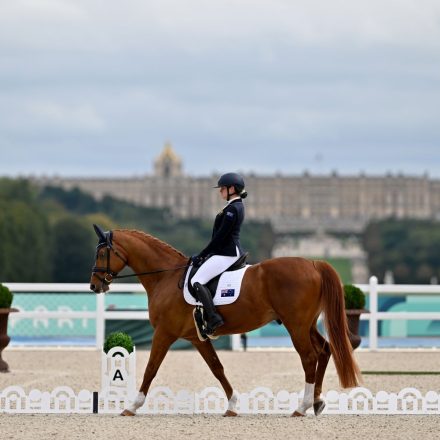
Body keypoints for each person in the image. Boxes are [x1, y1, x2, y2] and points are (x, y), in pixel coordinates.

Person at [191, 172, 248, 335]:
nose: (220, 191)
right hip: (224, 251)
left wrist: (202, 255)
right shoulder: (233, 206)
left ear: (232, 189)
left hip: (227, 252)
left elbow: (220, 237)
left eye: (222, 188)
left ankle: (214, 318)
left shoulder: (232, 209)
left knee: (197, 281)